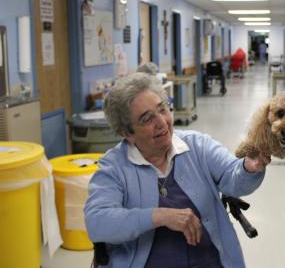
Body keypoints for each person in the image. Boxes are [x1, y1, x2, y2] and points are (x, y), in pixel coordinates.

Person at [84, 72, 270, 268]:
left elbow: (233, 177)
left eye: (162, 108)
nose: (162, 122)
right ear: (127, 133)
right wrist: (160, 216)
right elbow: (97, 222)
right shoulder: (114, 167)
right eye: (147, 119)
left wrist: (249, 168)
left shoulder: (197, 146)